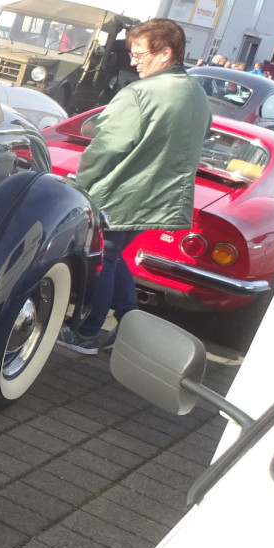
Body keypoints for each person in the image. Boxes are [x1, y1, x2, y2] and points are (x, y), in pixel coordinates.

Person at [57, 18, 211, 354]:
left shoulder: (139, 94)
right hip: (160, 198)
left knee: (103, 260)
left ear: (166, 53)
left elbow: (106, 147)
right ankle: (129, 325)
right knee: (114, 257)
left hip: (122, 193)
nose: (133, 61)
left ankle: (86, 332)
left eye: (140, 55)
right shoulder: (197, 94)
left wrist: (81, 186)